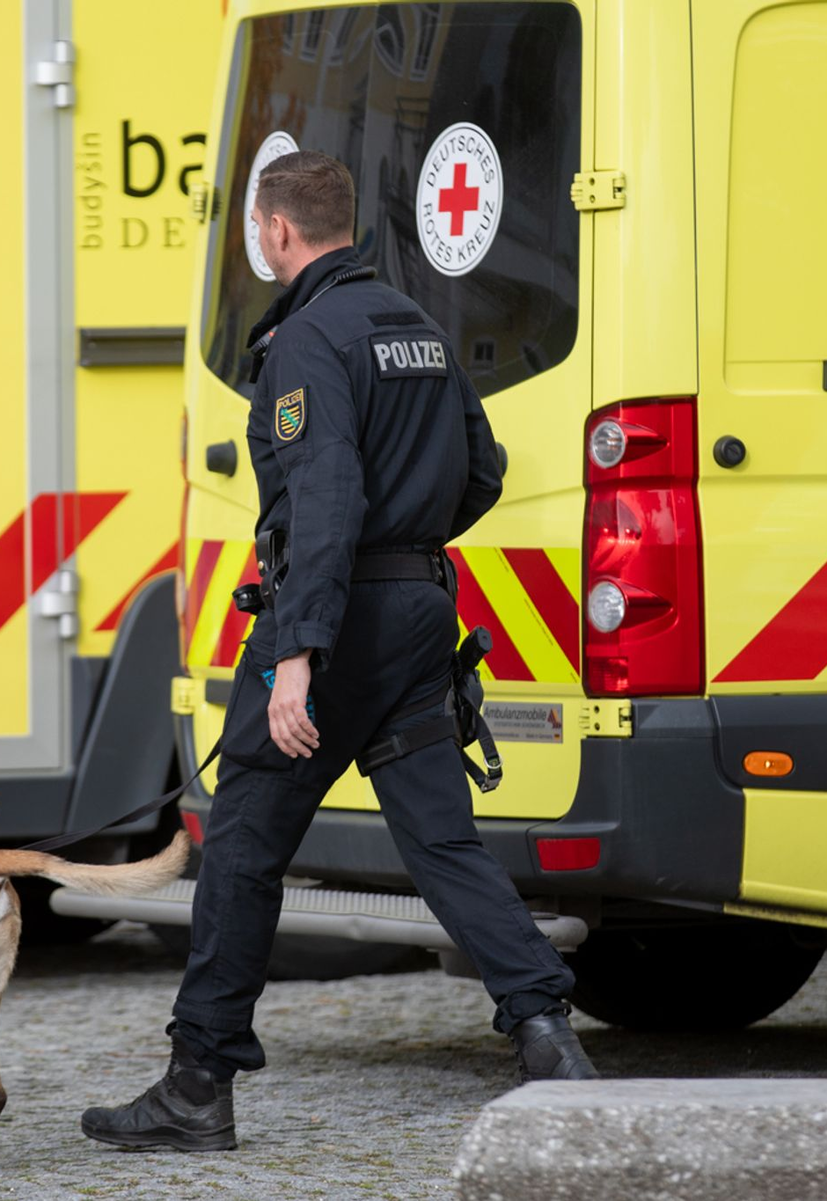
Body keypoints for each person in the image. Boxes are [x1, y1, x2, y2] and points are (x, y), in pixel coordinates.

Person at [81, 151, 596, 1153]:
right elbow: (481, 470)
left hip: (335, 616)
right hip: (415, 615)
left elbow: (322, 503)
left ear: (278, 233)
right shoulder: (417, 329)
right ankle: (547, 1037)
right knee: (442, 842)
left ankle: (198, 1083)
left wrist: (301, 657)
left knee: (241, 848)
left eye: (259, 233)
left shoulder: (307, 342)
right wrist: (412, 541)